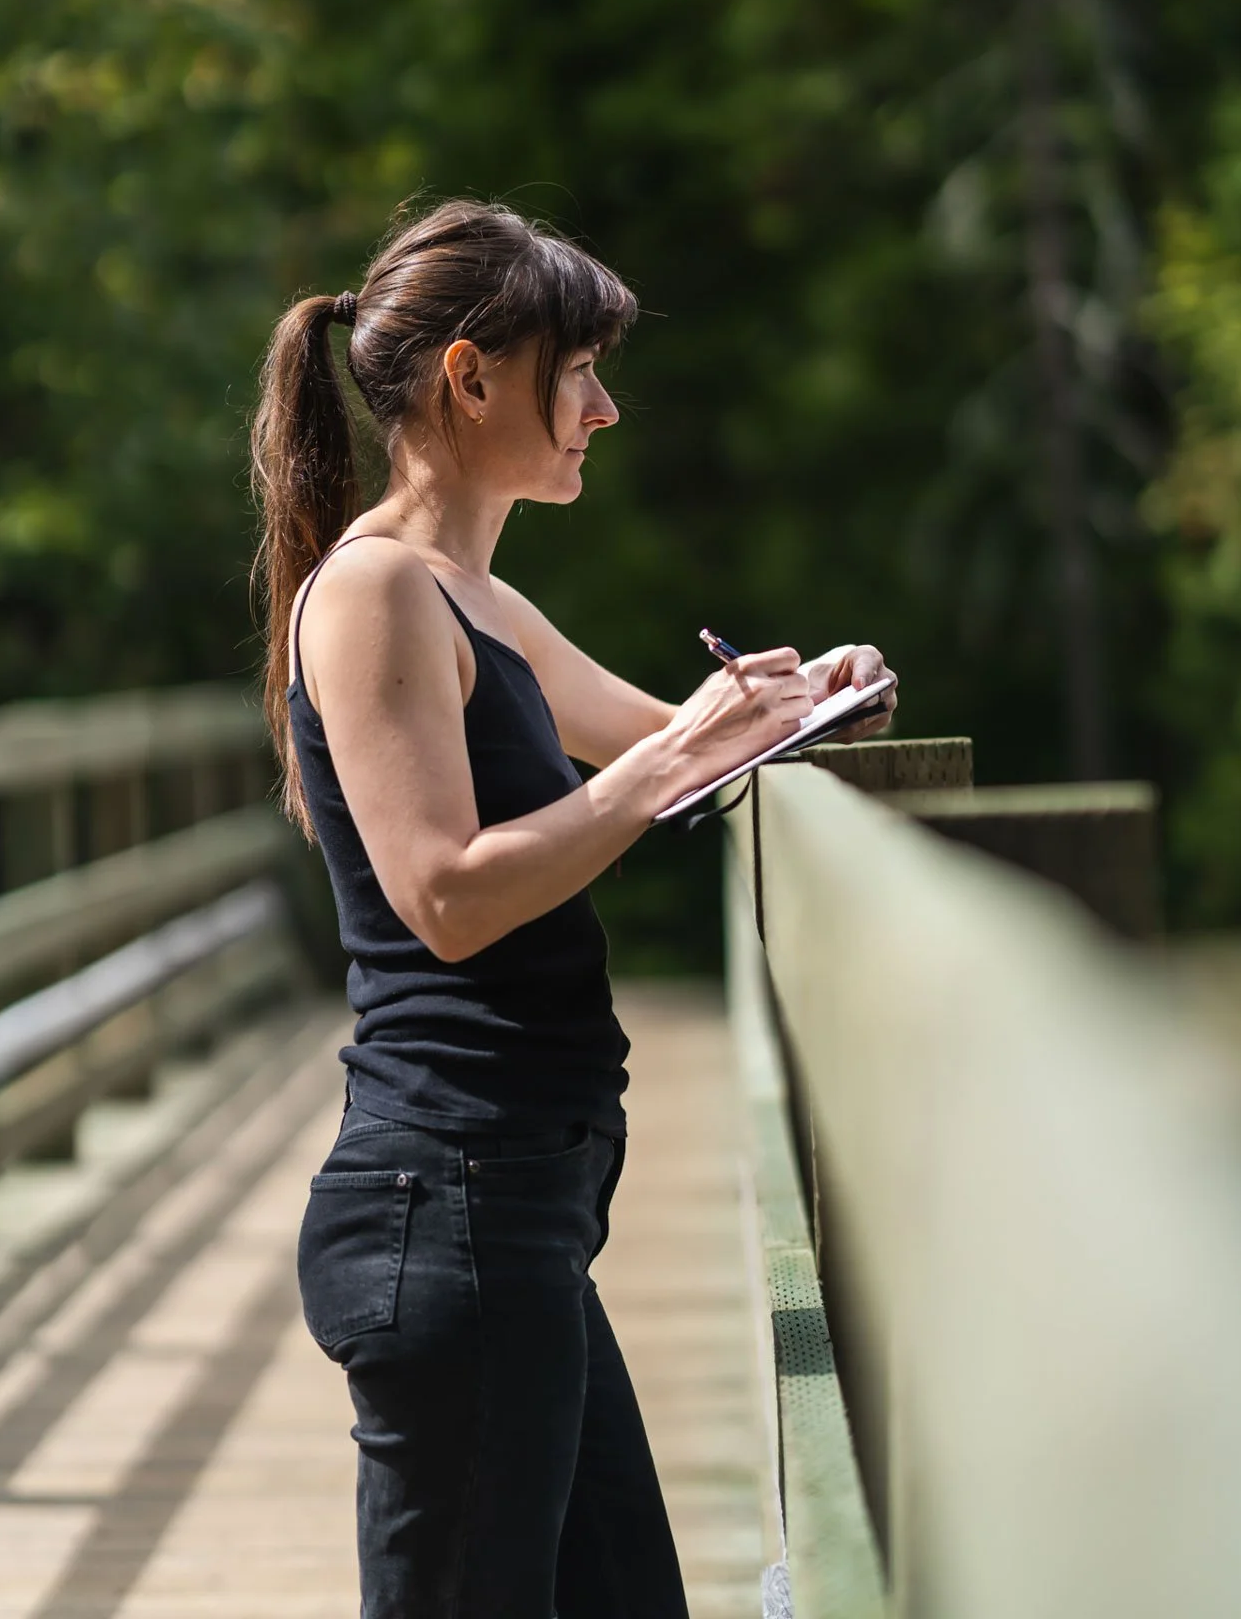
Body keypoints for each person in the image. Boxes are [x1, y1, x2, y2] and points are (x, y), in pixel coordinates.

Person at [249, 198, 895, 1618]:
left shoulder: (475, 597)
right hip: (452, 1203)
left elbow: (674, 742)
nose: (603, 407)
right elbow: (447, 897)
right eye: (579, 369)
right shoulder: (373, 595)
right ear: (472, 379)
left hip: (519, 1208)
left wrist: (809, 706)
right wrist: (678, 753)